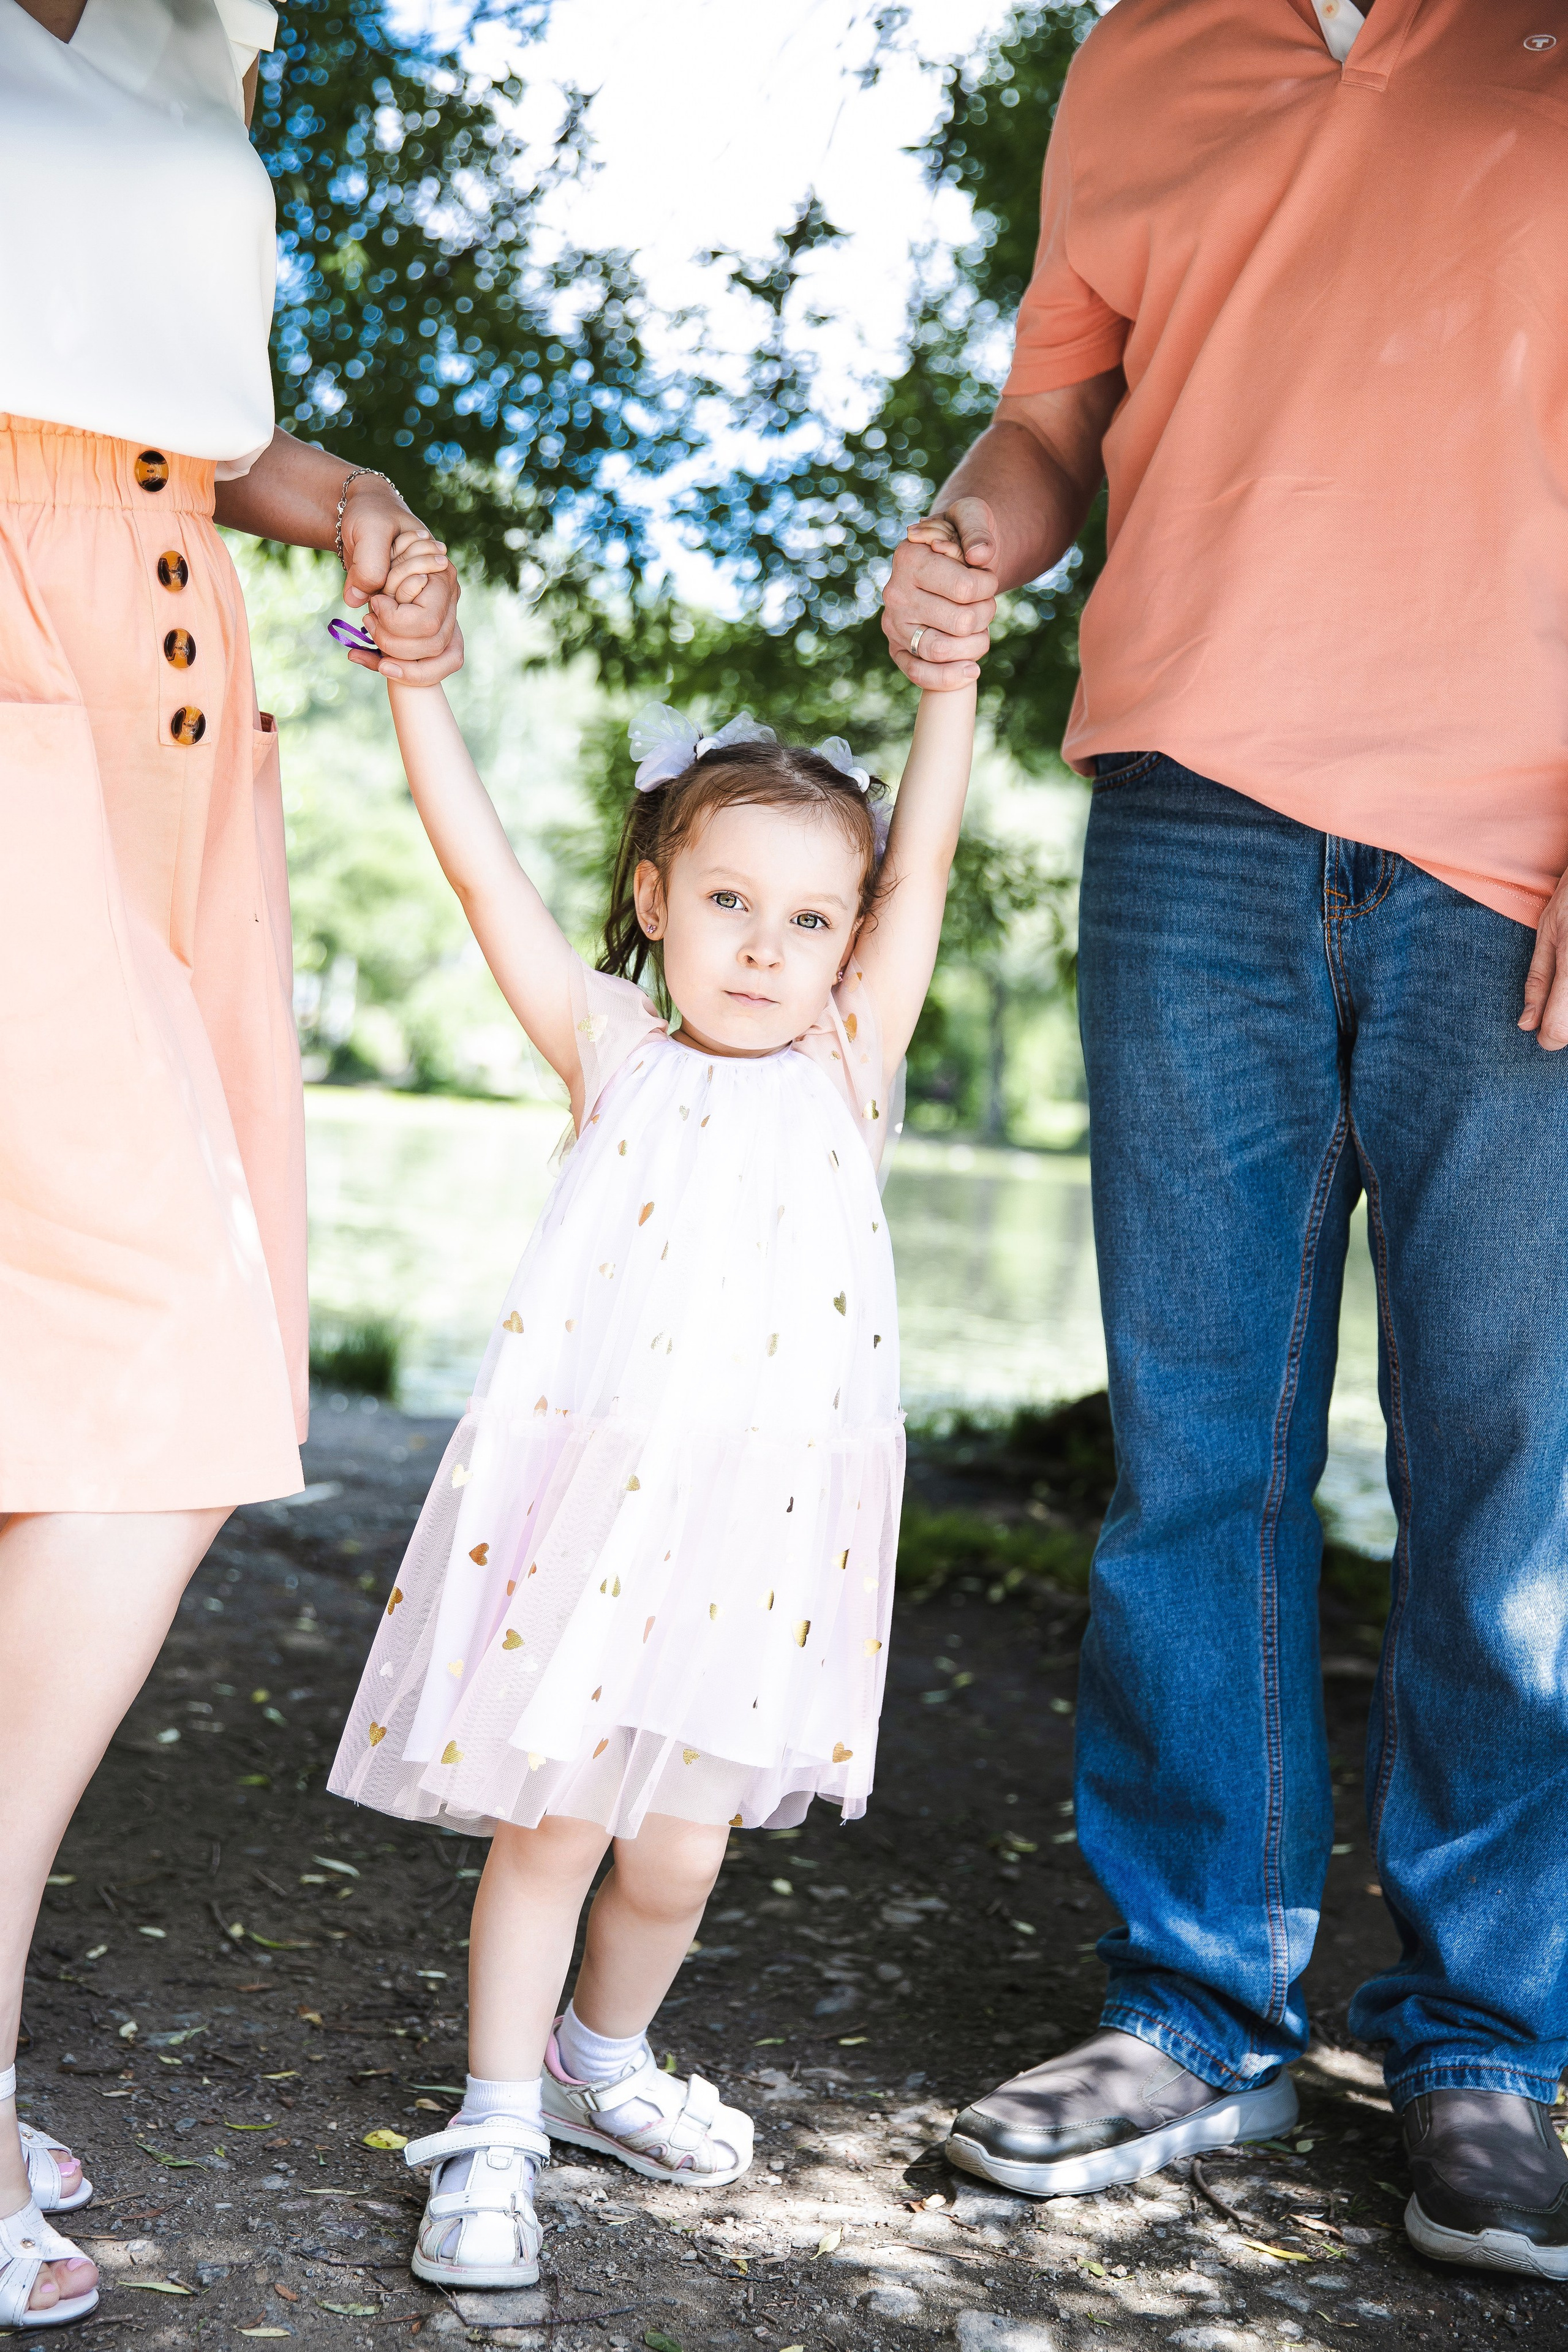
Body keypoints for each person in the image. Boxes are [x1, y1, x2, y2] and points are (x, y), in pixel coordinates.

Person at [880, 0, 1568, 2281]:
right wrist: (975, 531)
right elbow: (1050, 422)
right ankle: (1195, 2012)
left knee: (1518, 1491)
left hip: (1516, 849)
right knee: (1197, 1460)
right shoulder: (1139, 53)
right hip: (1192, 815)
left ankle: (1491, 2054)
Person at [325, 525, 977, 2288]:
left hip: (758, 1543)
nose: (766, 950)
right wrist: (418, 691)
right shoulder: (611, 1048)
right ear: (655, 900)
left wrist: (955, 686)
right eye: (728, 904)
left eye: (811, 920)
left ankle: (598, 2062)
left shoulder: (849, 1064)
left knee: (681, 1858)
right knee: (553, 1828)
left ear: (851, 945)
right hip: (596, 1526)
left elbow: (925, 865)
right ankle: (495, 2126)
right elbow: (478, 879)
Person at [0, 3, 464, 2327]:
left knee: (72, 1395)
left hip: (173, 663)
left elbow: (172, 397)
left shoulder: (215, 30)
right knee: (157, 1367)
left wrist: (350, 499)